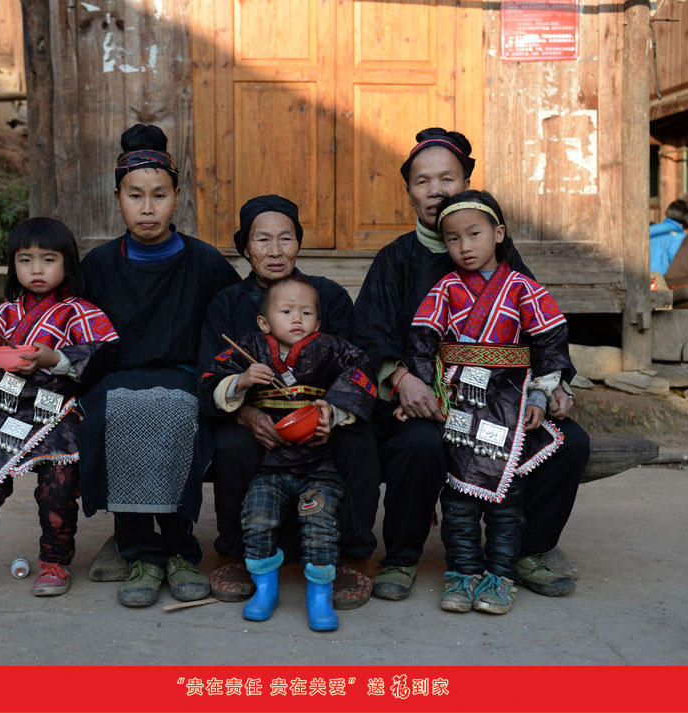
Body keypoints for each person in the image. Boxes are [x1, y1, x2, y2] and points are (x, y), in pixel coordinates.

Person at [351, 127, 590, 602]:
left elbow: (541, 328)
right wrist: (403, 380)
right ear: (409, 192)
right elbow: (369, 333)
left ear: (466, 184)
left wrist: (555, 384)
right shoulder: (395, 259)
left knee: (570, 444)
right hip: (428, 400)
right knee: (419, 445)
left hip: (500, 399)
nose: (435, 190)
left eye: (447, 178)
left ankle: (525, 551)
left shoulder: (502, 256)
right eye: (422, 181)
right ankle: (401, 557)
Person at [77, 124, 241, 608]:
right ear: (118, 199)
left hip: (184, 378)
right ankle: (141, 552)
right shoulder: (98, 265)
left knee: (176, 410)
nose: (147, 208)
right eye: (135, 196)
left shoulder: (205, 263)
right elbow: (76, 332)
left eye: (159, 195)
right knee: (117, 412)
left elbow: (232, 328)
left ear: (177, 199)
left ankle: (178, 548)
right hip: (113, 381)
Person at [198, 195, 380, 608]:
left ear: (299, 243)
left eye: (286, 238)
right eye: (263, 240)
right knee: (232, 445)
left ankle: (351, 552)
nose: (276, 250)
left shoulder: (326, 295)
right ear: (246, 248)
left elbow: (356, 364)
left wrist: (330, 412)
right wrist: (246, 413)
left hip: (320, 414)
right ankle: (239, 552)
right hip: (253, 416)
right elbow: (208, 374)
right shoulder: (227, 303)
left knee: (359, 441)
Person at [399, 190, 572, 615]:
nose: (464, 246)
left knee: (506, 499)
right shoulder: (445, 289)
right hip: (459, 402)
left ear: (498, 233)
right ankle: (462, 573)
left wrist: (540, 393)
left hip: (510, 403)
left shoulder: (523, 289)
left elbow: (549, 343)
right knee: (458, 496)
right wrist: (425, 391)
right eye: (453, 239)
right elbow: (422, 342)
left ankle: (500, 577)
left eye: (474, 234)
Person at [0, 217, 119, 597]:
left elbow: (104, 352)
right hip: (6, 411)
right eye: (25, 260)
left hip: (57, 415)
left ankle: (55, 562)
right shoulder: (5, 313)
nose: (36, 269)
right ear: (13, 265)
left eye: (48, 259)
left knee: (58, 489)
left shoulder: (81, 312)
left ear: (68, 263)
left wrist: (54, 358)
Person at [650, 199, 688, 275]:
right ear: (686, 220)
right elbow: (678, 266)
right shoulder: (679, 237)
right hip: (659, 279)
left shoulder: (651, 229)